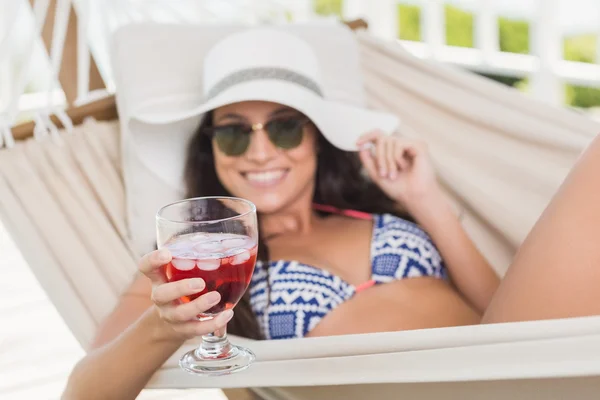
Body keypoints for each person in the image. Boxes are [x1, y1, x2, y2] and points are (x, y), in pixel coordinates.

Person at [63, 27, 504, 398]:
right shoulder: (203, 264)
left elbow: (504, 315)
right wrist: (165, 326)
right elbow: (84, 391)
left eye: (285, 127)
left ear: (316, 136)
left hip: (510, 370)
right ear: (211, 147)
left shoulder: (387, 210)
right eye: (235, 133)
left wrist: (423, 199)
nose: (259, 153)